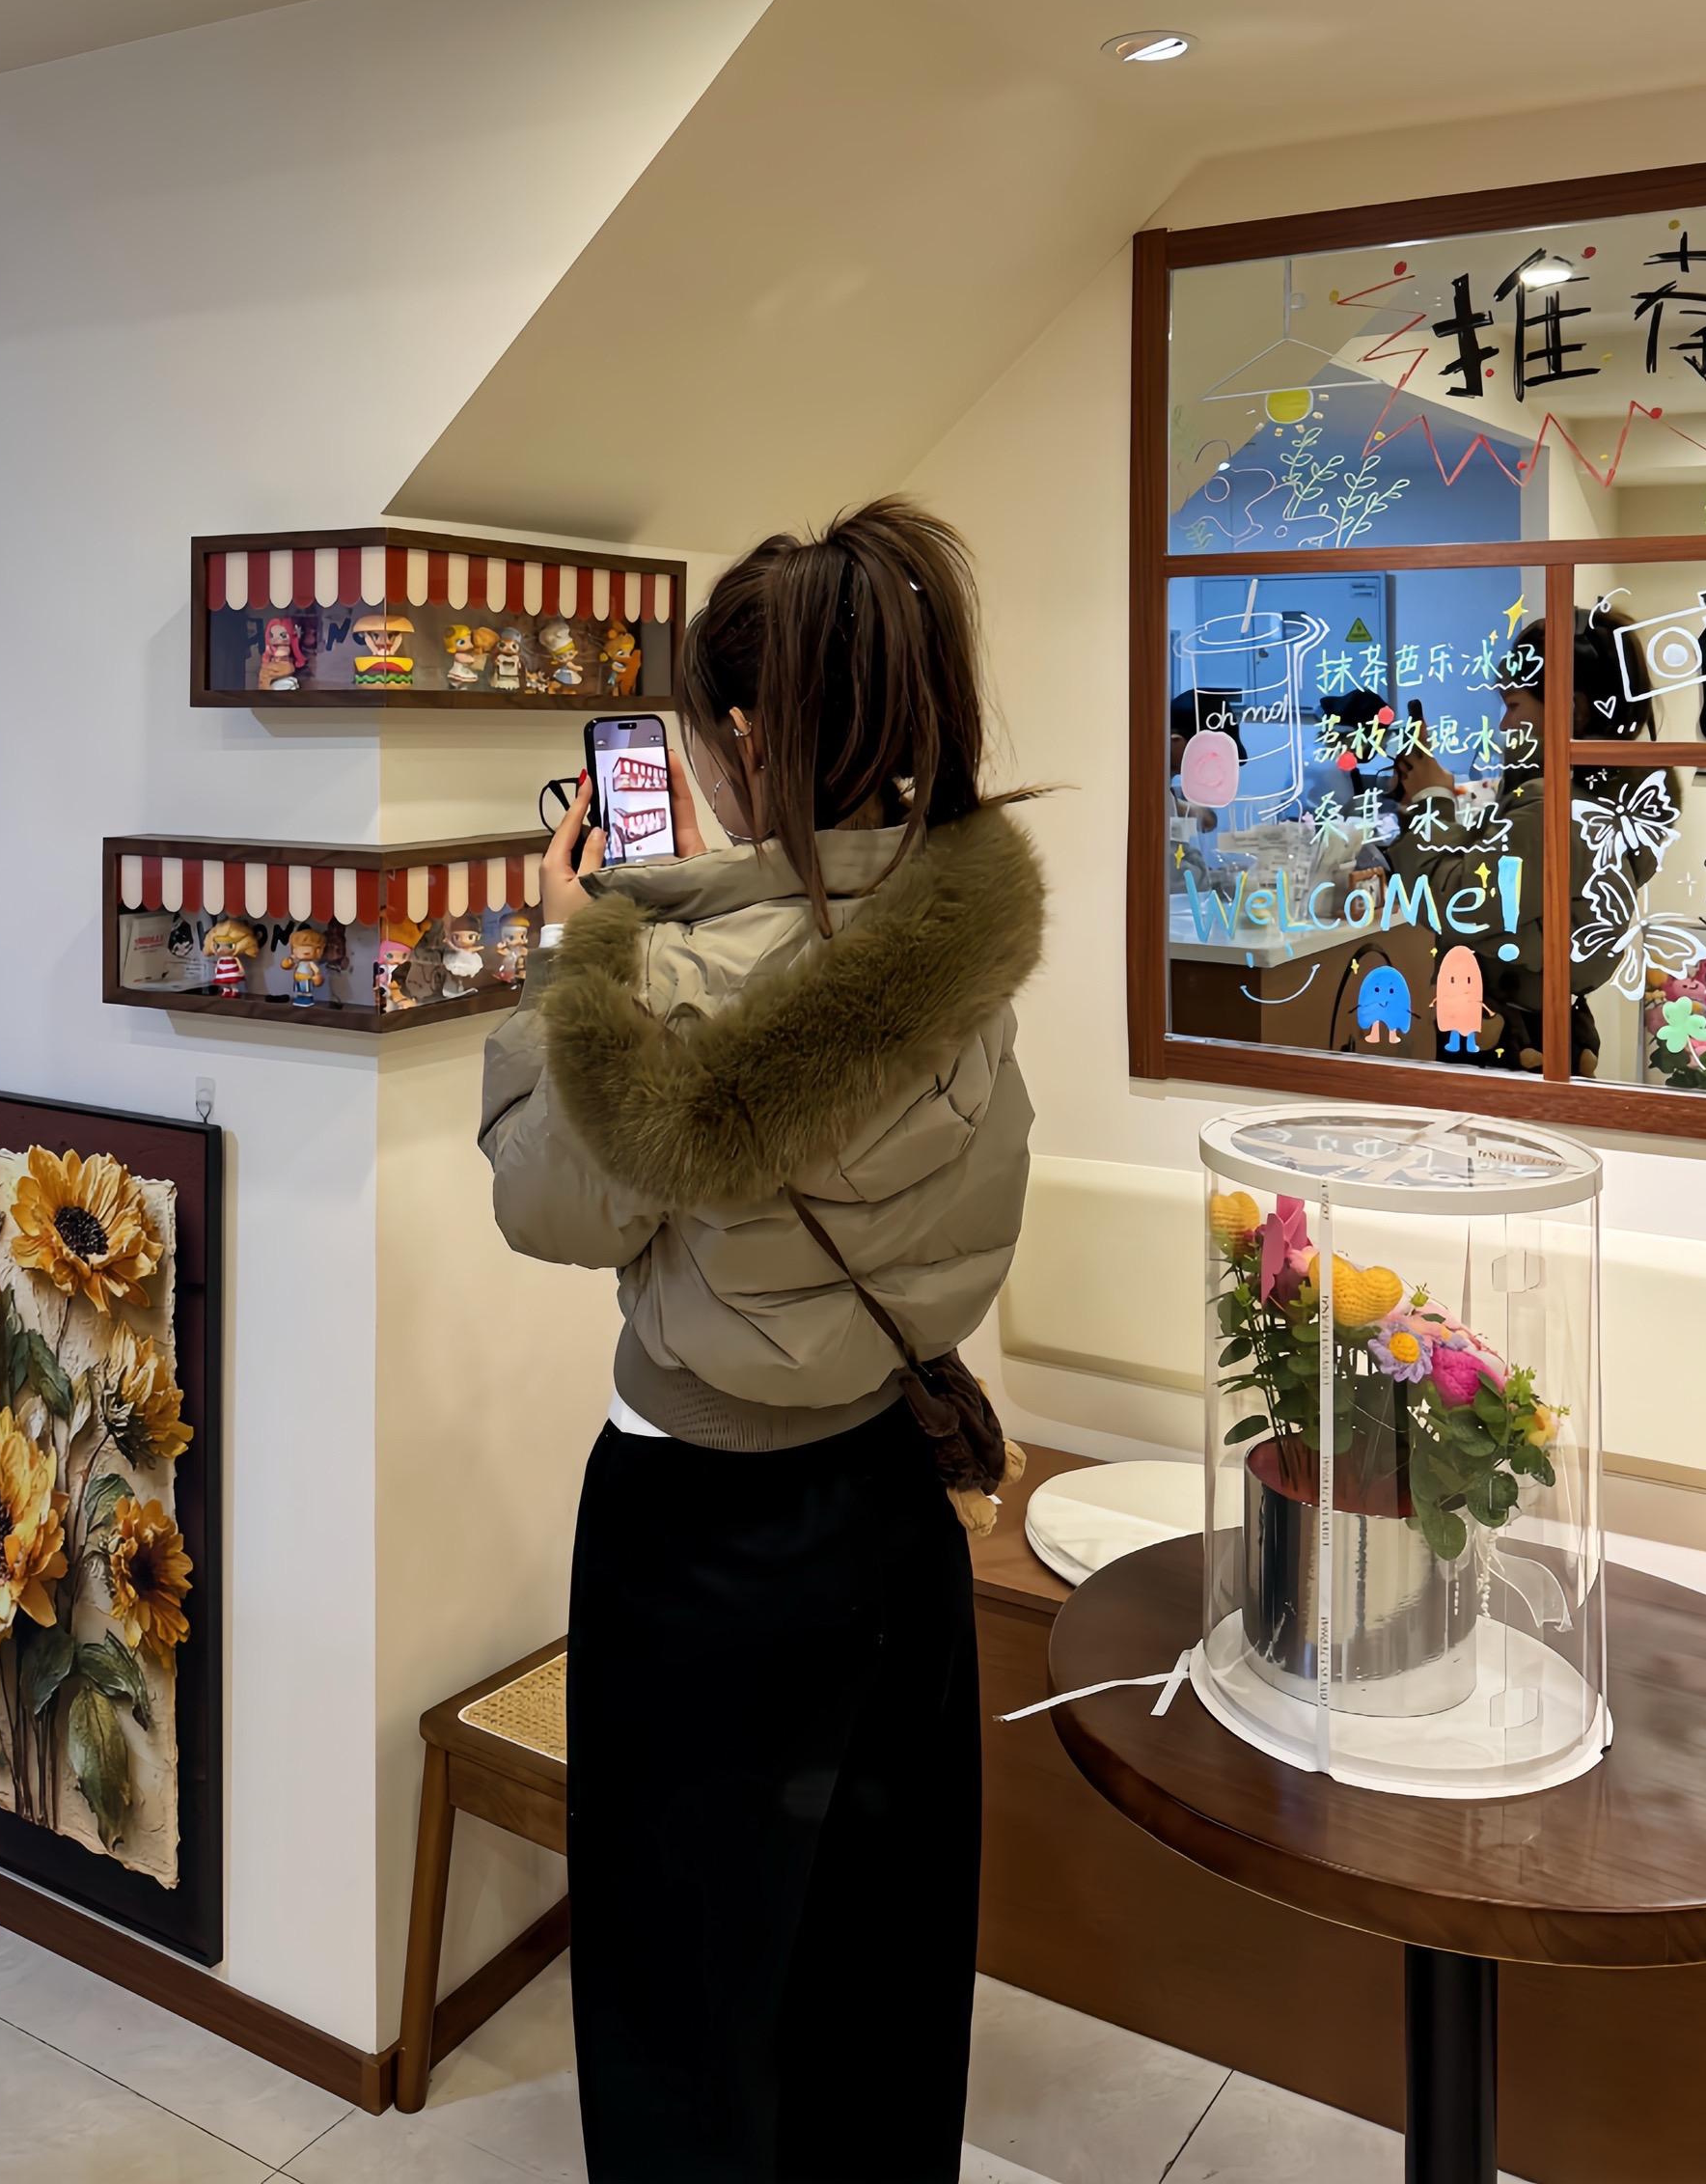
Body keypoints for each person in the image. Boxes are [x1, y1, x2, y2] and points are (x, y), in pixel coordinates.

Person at [480, 499, 1044, 2184]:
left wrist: (565, 952)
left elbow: (546, 1205)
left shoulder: (664, 973)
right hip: (891, 1511)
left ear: (740, 734)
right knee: (879, 1977)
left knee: (686, 2010)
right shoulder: (958, 935)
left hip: (696, 1539)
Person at [1388, 604, 1679, 1073]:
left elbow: (1454, 904)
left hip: (1507, 1037)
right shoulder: (1597, 802)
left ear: (1572, 710)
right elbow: (1500, 894)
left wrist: (1429, 801)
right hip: (1547, 1026)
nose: (1504, 726)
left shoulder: (1554, 810)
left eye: (1513, 706)